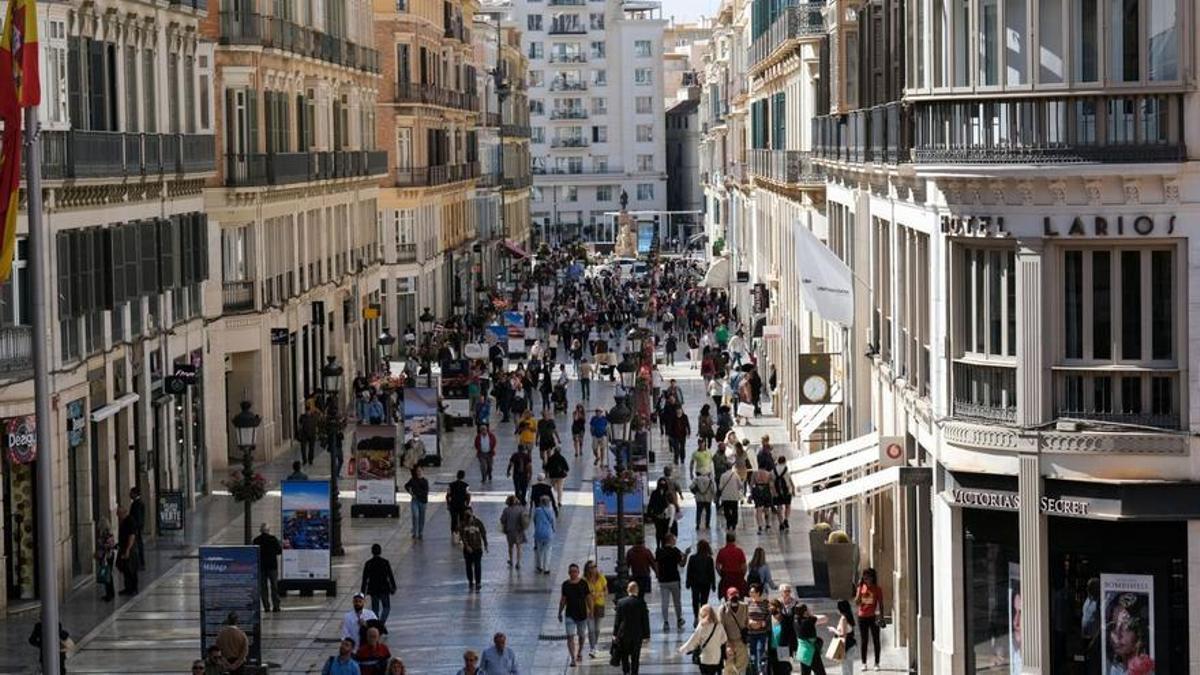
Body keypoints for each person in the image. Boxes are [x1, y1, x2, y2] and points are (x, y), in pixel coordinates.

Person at [559, 563, 593, 666]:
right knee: (570, 636)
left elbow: (588, 597)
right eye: (571, 572)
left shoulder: (583, 583)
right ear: (569, 573)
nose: (573, 573)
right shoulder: (565, 584)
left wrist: (591, 610)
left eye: (575, 571)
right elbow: (563, 600)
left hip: (582, 614)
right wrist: (560, 612)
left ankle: (579, 652)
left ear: (578, 572)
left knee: (581, 636)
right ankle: (573, 658)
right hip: (570, 614)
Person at [613, 581, 651, 674]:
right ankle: (634, 672)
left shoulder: (621, 602)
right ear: (637, 590)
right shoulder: (641, 603)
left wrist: (615, 634)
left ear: (627, 590)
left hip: (623, 633)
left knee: (624, 655)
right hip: (637, 634)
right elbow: (645, 620)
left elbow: (617, 620)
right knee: (635, 656)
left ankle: (626, 671)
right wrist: (647, 635)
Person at [678, 604, 728, 675]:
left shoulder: (702, 626)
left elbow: (694, 640)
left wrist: (683, 649)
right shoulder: (719, 625)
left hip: (705, 658)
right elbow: (724, 639)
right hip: (716, 658)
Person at [655, 533, 689, 631]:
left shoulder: (659, 551)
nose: (675, 541)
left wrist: (658, 575)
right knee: (677, 601)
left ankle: (666, 622)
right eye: (674, 539)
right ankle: (679, 619)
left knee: (664, 602)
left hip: (663, 580)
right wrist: (686, 554)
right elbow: (682, 564)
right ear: (670, 540)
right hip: (674, 579)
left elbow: (656, 564)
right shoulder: (675, 551)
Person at [359, 544, 397, 624]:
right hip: (384, 588)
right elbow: (390, 576)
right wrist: (393, 586)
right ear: (380, 551)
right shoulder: (385, 562)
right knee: (386, 607)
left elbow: (365, 579)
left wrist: (363, 592)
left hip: (373, 589)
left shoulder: (368, 563)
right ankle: (382, 622)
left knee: (375, 608)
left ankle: (376, 623)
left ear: (372, 552)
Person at [854, 569, 883, 671]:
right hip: (862, 617)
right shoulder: (861, 587)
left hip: (873, 617)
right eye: (864, 578)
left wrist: (881, 617)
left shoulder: (877, 589)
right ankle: (864, 663)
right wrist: (859, 589)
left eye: (868, 577)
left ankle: (877, 663)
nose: (866, 580)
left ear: (872, 577)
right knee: (864, 641)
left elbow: (881, 604)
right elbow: (857, 603)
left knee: (876, 640)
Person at [686, 539, 717, 625]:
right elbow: (712, 573)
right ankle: (702, 617)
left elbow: (689, 571)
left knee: (695, 600)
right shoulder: (709, 559)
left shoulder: (692, 558)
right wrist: (713, 584)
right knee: (704, 601)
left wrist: (688, 582)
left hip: (695, 583)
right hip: (706, 583)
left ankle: (696, 616)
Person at [719, 588, 750, 674]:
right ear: (728, 598)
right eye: (732, 597)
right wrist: (727, 644)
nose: (734, 599)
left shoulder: (745, 606)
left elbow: (747, 622)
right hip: (729, 642)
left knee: (741, 666)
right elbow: (722, 628)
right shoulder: (723, 609)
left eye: (736, 597)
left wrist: (746, 635)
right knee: (728, 668)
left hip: (741, 641)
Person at [253, 523, 283, 612]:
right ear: (268, 530)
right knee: (274, 586)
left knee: (263, 587)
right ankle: (276, 606)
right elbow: (279, 551)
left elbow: (254, 553)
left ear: (260, 531)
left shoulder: (256, 540)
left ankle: (266, 606)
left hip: (261, 566)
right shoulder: (273, 539)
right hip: (272, 566)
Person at [459, 506, 489, 590]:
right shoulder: (463, 524)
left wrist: (486, 544)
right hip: (467, 549)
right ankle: (470, 581)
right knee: (468, 566)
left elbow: (483, 533)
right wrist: (467, 546)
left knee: (477, 565)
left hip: (477, 547)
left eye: (469, 513)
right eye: (466, 514)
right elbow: (462, 536)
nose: (468, 515)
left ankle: (478, 582)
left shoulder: (478, 522)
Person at [583, 560, 608, 658]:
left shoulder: (601, 577)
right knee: (591, 629)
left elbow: (606, 591)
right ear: (587, 569)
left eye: (595, 566)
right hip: (588, 606)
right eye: (591, 567)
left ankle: (595, 645)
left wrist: (600, 594)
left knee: (597, 629)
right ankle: (592, 648)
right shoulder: (584, 580)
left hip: (599, 605)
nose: (594, 569)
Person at [796, 604, 829, 675]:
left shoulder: (796, 621)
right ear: (805, 612)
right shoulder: (809, 621)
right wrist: (810, 614)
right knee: (820, 673)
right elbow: (825, 618)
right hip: (811, 652)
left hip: (802, 653)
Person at [745, 583, 771, 674]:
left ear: (758, 593)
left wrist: (762, 623)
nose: (750, 593)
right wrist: (749, 622)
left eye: (753, 592)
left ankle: (761, 671)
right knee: (752, 655)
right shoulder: (748, 604)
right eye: (750, 591)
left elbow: (768, 617)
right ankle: (754, 671)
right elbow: (745, 617)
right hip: (751, 634)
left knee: (760, 651)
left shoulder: (765, 603)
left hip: (761, 633)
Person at [828, 600, 857, 675]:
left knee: (846, 670)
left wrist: (833, 629)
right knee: (848, 668)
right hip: (850, 645)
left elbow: (843, 635)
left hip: (846, 647)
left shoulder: (844, 618)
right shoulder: (849, 616)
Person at [500, 495, 528, 570]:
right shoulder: (521, 509)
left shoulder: (506, 510)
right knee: (518, 547)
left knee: (510, 546)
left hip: (510, 531)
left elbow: (502, 520)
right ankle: (518, 562)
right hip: (519, 530)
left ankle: (511, 560)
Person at [716, 533, 747, 598]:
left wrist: (721, 574)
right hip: (738, 576)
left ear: (726, 540)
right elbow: (744, 566)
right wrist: (742, 575)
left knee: (727, 596)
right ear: (734, 540)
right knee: (740, 596)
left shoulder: (722, 551)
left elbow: (717, 566)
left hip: (726, 577)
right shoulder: (739, 551)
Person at [116, 505, 139, 595]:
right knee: (125, 569)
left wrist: (128, 549)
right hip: (124, 547)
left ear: (124, 513)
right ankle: (128, 588)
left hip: (130, 549)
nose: (118, 516)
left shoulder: (130, 521)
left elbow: (132, 536)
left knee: (131, 569)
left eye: (119, 514)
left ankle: (133, 588)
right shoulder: (124, 521)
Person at [403, 466, 429, 539]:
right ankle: (414, 531)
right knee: (415, 515)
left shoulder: (425, 481)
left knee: (422, 517)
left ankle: (420, 532)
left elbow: (426, 492)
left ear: (422, 471)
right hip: (415, 500)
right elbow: (406, 486)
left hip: (423, 501)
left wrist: (418, 494)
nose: (419, 472)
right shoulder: (413, 480)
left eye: (420, 470)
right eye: (417, 471)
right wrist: (411, 493)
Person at [446, 470, 472, 540]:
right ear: (463, 476)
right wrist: (468, 504)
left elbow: (448, 495)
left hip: (453, 505)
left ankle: (453, 533)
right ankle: (461, 534)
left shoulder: (451, 485)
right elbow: (468, 495)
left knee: (453, 519)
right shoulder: (466, 485)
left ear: (457, 476)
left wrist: (448, 504)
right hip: (462, 505)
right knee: (462, 519)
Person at [533, 495, 556, 573]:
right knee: (548, 551)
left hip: (538, 533)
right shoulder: (550, 511)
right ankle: (546, 568)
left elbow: (534, 520)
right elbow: (553, 521)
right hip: (548, 533)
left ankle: (540, 566)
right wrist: (553, 529)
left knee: (539, 550)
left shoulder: (537, 510)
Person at [95, 522, 117, 601]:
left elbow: (108, 546)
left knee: (107, 575)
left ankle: (109, 594)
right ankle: (111, 593)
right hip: (109, 556)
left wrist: (102, 555)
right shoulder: (109, 534)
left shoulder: (105, 535)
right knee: (109, 575)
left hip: (106, 557)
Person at [774, 455, 795, 530]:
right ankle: (786, 519)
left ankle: (781, 523)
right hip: (787, 490)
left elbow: (772, 481)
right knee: (787, 506)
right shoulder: (787, 469)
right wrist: (793, 489)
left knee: (779, 507)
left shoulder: (774, 470)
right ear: (785, 461)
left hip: (777, 491)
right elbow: (790, 480)